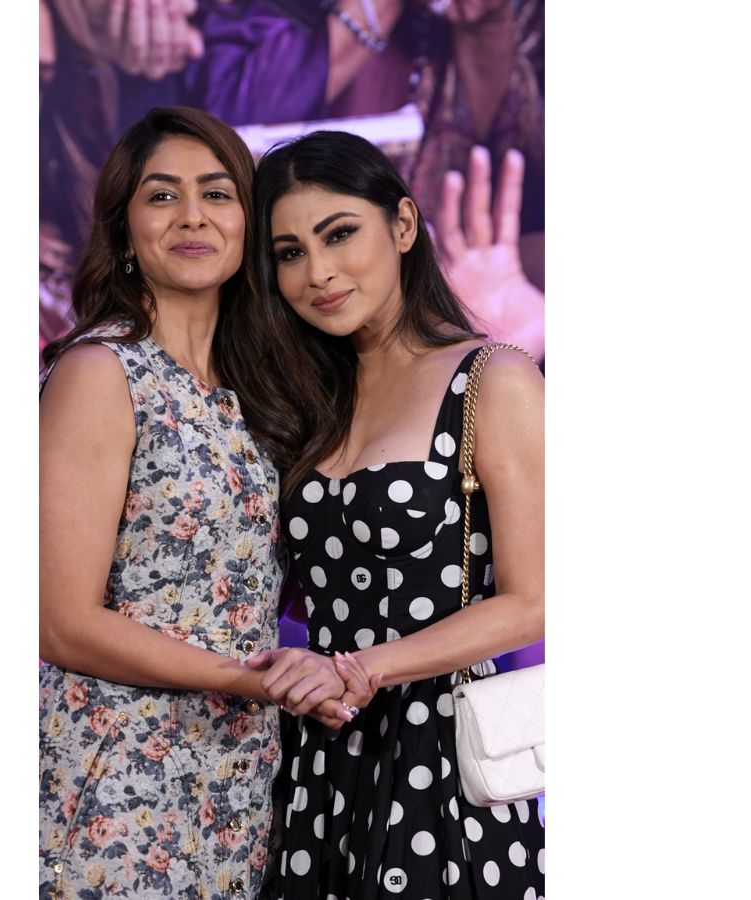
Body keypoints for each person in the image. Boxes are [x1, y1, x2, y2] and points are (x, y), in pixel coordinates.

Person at [38, 107, 373, 899]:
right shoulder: (101, 372)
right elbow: (60, 621)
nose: (192, 216)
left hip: (238, 771)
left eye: (217, 194)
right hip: (118, 769)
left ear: (246, 225)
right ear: (125, 230)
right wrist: (249, 678)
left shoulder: (263, 391)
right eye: (162, 196)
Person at [247, 130, 545, 897]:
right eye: (289, 252)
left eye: (339, 233)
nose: (318, 272)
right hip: (318, 754)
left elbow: (532, 601)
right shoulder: (306, 399)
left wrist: (365, 669)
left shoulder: (493, 377)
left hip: (443, 750)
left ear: (404, 225)